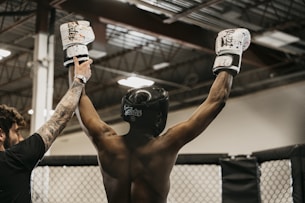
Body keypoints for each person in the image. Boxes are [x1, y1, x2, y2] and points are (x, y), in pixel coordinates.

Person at [75, 28, 251, 203]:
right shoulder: (165, 145)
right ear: (158, 117)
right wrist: (228, 56)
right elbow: (216, 101)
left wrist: (75, 54)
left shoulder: (105, 142)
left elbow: (78, 98)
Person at [0, 57, 92, 202]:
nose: (20, 138)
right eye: (16, 132)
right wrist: (79, 79)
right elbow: (58, 119)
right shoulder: (15, 160)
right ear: (1, 134)